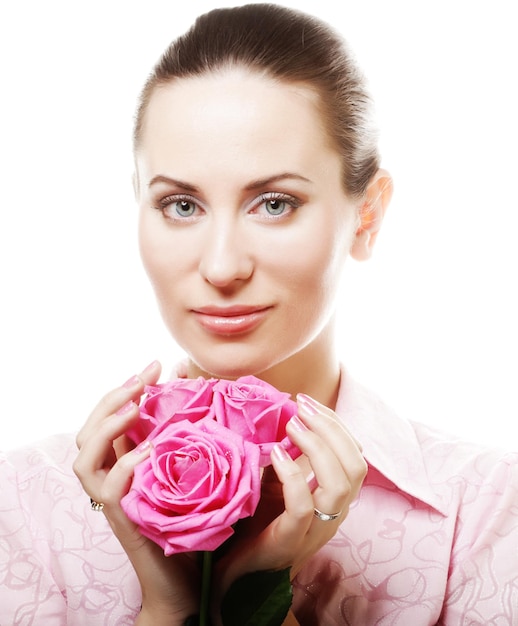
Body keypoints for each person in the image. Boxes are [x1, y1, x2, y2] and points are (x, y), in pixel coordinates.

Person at [1, 3, 517, 625]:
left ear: (368, 215)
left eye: (274, 203)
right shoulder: (27, 502)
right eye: (181, 205)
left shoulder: (482, 509)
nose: (222, 267)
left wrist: (259, 595)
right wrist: (169, 605)